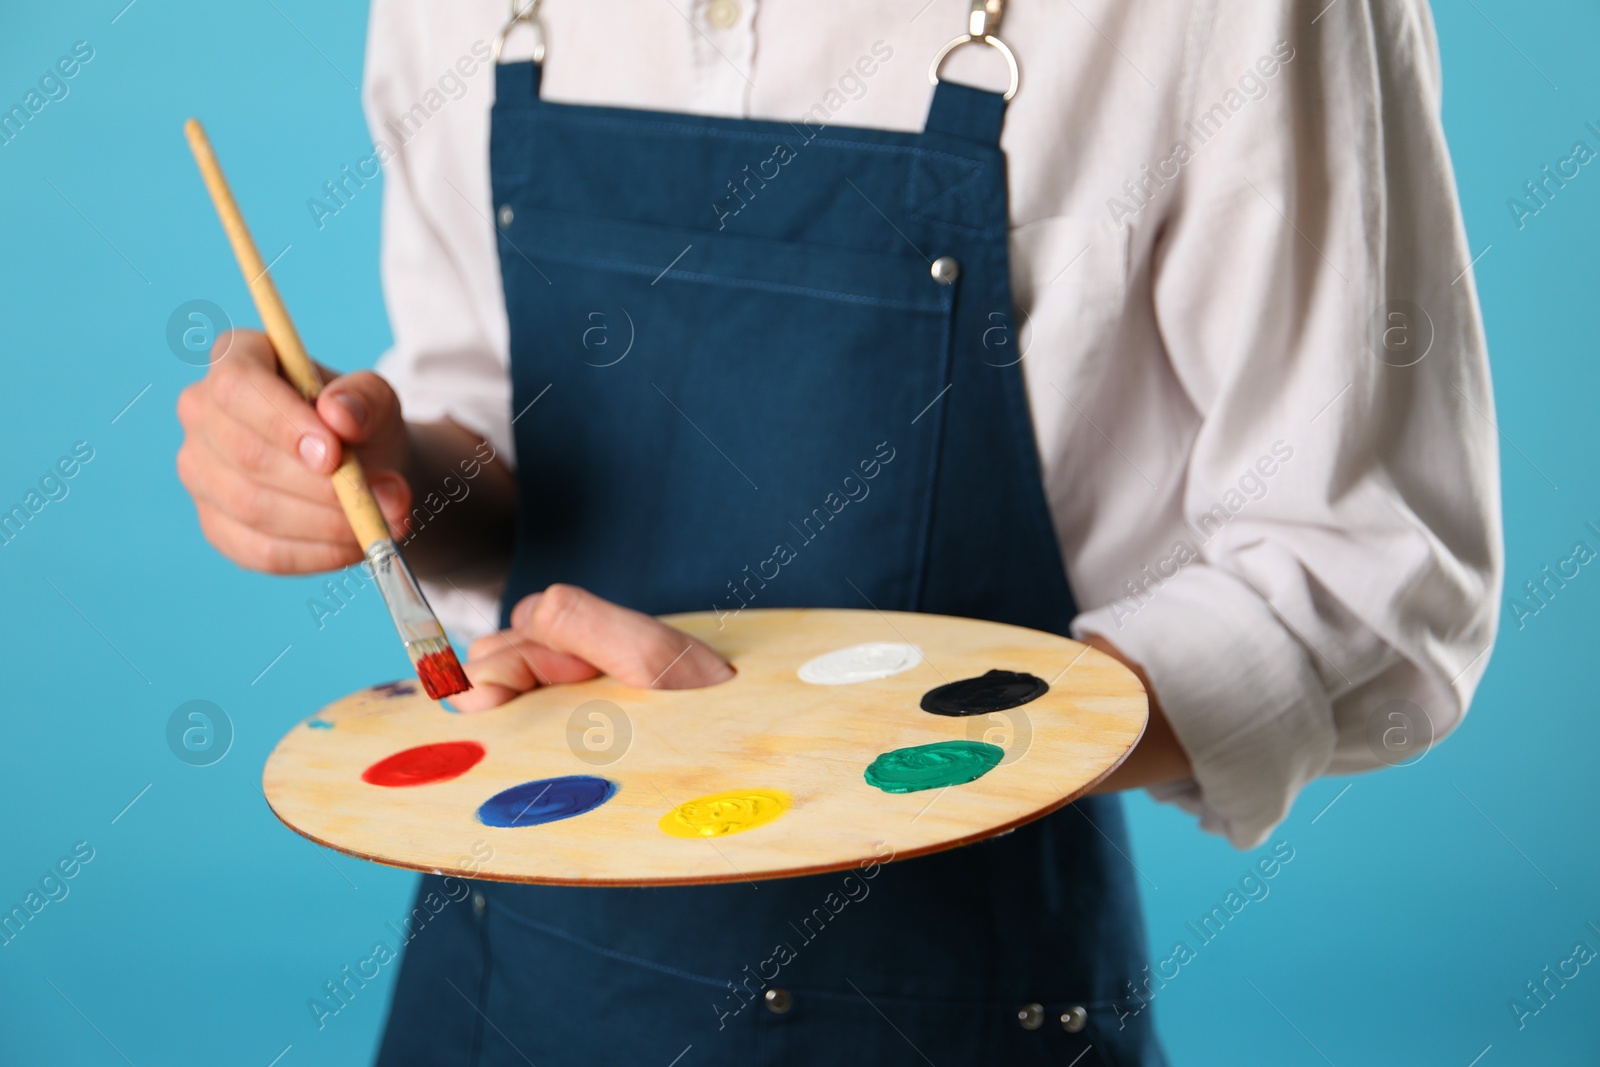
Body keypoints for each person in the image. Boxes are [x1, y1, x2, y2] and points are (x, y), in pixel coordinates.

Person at [174, 0, 1501, 1062]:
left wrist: (826, 730)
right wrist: (394, 480)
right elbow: (501, 415)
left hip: (939, 998)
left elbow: (1364, 580)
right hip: (519, 981)